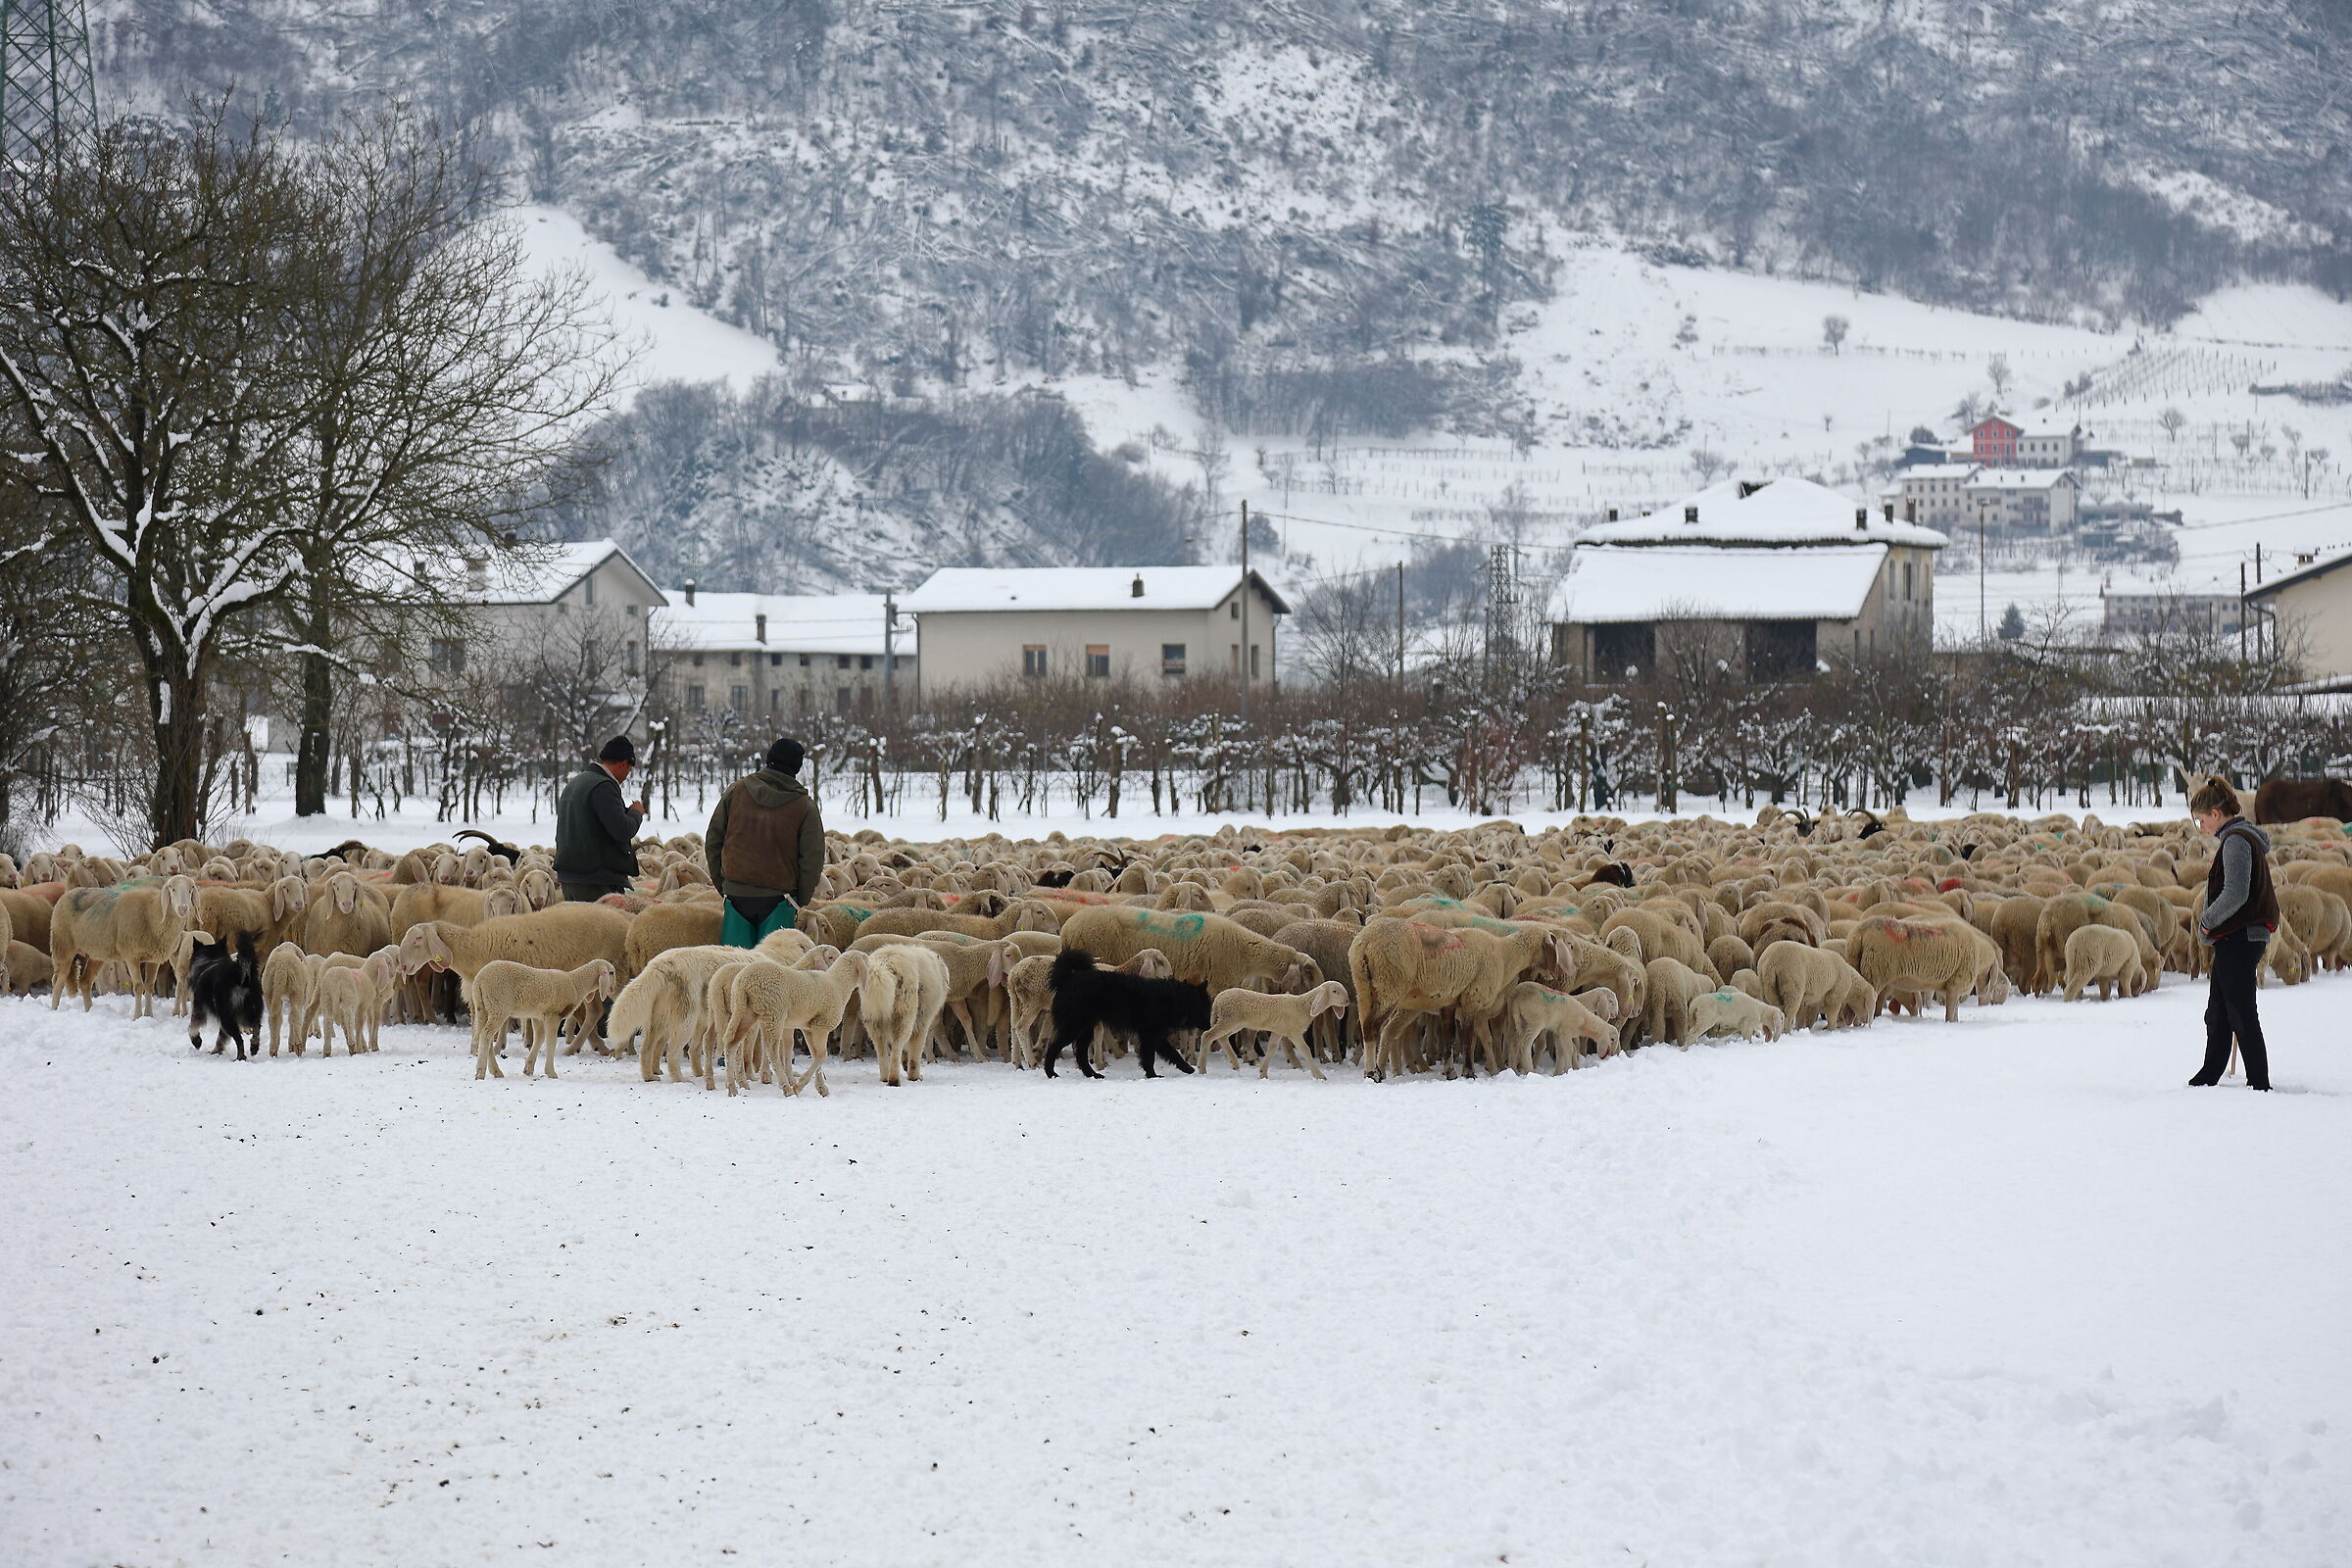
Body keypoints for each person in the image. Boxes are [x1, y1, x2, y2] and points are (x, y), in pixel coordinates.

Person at [2189, 775, 2274, 1091]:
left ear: (2215, 814)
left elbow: (2236, 893)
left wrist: (2207, 921)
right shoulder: (2238, 838)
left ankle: (2259, 1081)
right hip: (2237, 936)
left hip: (2241, 936)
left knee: (2240, 1011)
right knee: (2219, 1011)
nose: (2202, 828)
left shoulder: (2237, 841)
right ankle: (2210, 1073)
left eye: (2202, 820)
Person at [705, 736, 825, 946]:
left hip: (736, 896)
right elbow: (812, 859)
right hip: (780, 899)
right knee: (774, 964)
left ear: (769, 759)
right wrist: (799, 900)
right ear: (797, 767)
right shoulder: (804, 806)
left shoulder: (737, 791)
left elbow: (714, 840)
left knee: (735, 963)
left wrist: (724, 886)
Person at [555, 736, 647, 904]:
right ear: (624, 763)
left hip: (570, 876)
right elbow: (622, 830)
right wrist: (636, 813)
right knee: (602, 922)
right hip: (595, 880)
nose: (626, 776)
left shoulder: (576, 782)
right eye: (629, 770)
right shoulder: (604, 786)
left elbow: (593, 821)